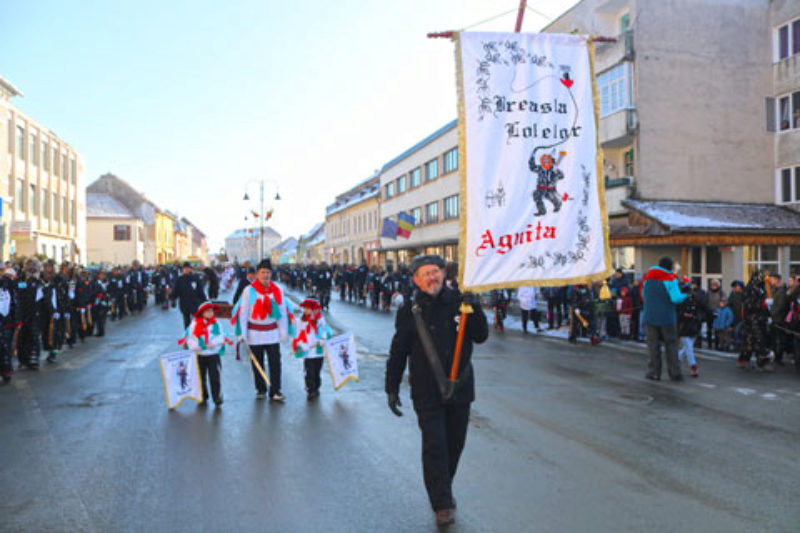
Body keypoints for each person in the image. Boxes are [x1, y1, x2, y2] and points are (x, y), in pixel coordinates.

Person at [385, 254, 488, 527]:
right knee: (435, 446)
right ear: (416, 279)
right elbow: (399, 350)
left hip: (460, 388)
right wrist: (391, 387)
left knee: (455, 444)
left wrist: (475, 307)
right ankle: (442, 503)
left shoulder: (460, 302)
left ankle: (443, 486)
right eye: (426, 273)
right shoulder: (410, 310)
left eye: (436, 271)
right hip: (426, 390)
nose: (432, 277)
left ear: (444, 273)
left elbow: (480, 336)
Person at [232, 259, 290, 402]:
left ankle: (275, 390)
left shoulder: (277, 290)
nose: (265, 275)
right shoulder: (248, 290)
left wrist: (283, 331)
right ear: (257, 274)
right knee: (257, 363)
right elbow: (244, 313)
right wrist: (242, 333)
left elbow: (282, 311)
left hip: (272, 333)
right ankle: (261, 389)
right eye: (263, 272)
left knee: (275, 362)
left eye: (268, 272)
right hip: (254, 334)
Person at [641, 257, 687, 381]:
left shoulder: (647, 278)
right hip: (667, 317)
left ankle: (654, 372)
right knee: (671, 345)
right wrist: (685, 294)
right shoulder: (670, 279)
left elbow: (643, 296)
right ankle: (674, 373)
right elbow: (676, 298)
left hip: (650, 316)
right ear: (669, 267)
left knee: (653, 346)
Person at [181, 301, 234, 407]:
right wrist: (196, 346)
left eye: (211, 311)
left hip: (213, 354)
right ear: (202, 313)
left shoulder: (216, 324)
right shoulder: (194, 324)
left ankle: (217, 397)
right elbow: (190, 338)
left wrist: (212, 344)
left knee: (215, 376)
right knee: (200, 376)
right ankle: (202, 395)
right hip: (200, 354)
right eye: (207, 311)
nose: (210, 314)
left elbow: (221, 337)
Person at [291, 298, 333, 400]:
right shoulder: (301, 321)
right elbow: (297, 334)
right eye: (305, 308)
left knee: (317, 371)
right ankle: (310, 389)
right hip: (308, 351)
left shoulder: (320, 320)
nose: (306, 310)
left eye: (308, 308)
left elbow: (326, 331)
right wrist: (302, 344)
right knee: (309, 371)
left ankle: (316, 387)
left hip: (318, 351)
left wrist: (323, 338)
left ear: (314, 310)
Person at [738, 271, 771, 371]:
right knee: (756, 340)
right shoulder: (750, 289)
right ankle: (759, 363)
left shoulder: (761, 288)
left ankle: (746, 360)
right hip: (752, 320)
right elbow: (750, 305)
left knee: (753, 340)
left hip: (760, 319)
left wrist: (767, 314)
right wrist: (763, 303)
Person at [676, 277, 701, 377]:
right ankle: (693, 366)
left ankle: (677, 358)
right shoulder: (679, 301)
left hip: (694, 325)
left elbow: (700, 310)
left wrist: (699, 317)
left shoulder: (695, 299)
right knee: (689, 347)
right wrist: (684, 314)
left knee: (687, 347)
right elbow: (677, 313)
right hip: (684, 327)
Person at [171, 262, 207, 328]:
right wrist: (173, 299)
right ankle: (188, 335)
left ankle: (196, 334)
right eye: (185, 268)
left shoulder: (195, 278)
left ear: (190, 269)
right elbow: (176, 291)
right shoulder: (180, 280)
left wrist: (204, 301)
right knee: (186, 322)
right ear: (182, 270)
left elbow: (200, 290)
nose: (186, 270)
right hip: (184, 304)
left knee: (197, 321)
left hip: (195, 303)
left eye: (188, 268)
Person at [0, 265, 19, 382]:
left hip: (7, 321)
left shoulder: (9, 284)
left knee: (5, 347)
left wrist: (17, 320)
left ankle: (6, 370)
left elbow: (14, 302)